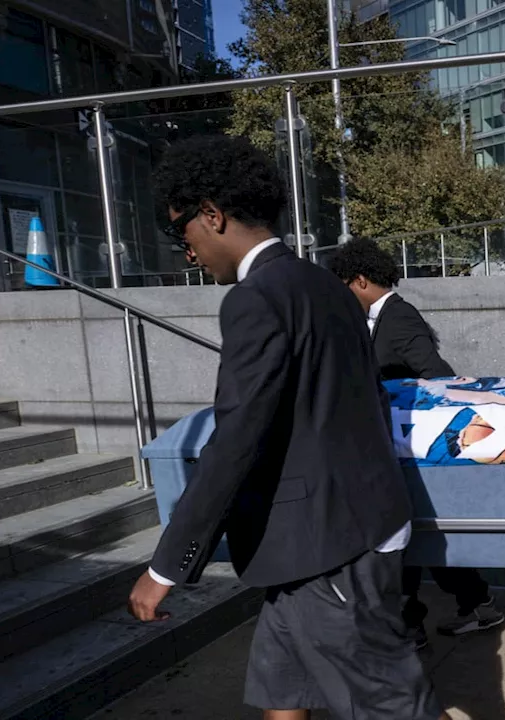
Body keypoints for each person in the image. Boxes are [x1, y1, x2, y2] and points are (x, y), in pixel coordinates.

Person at [128, 136, 448, 720]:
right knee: (281, 689)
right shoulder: (325, 283)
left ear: (212, 214)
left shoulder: (256, 298)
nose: (188, 253)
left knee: (391, 707)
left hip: (328, 547)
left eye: (183, 233)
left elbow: (235, 441)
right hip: (322, 535)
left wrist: (165, 566)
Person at [329, 238, 505, 648]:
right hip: (397, 446)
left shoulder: (398, 316)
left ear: (358, 280)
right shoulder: (378, 319)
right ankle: (476, 604)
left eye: (342, 286)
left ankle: (409, 626)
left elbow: (436, 374)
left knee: (402, 541)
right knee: (420, 538)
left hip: (409, 448)